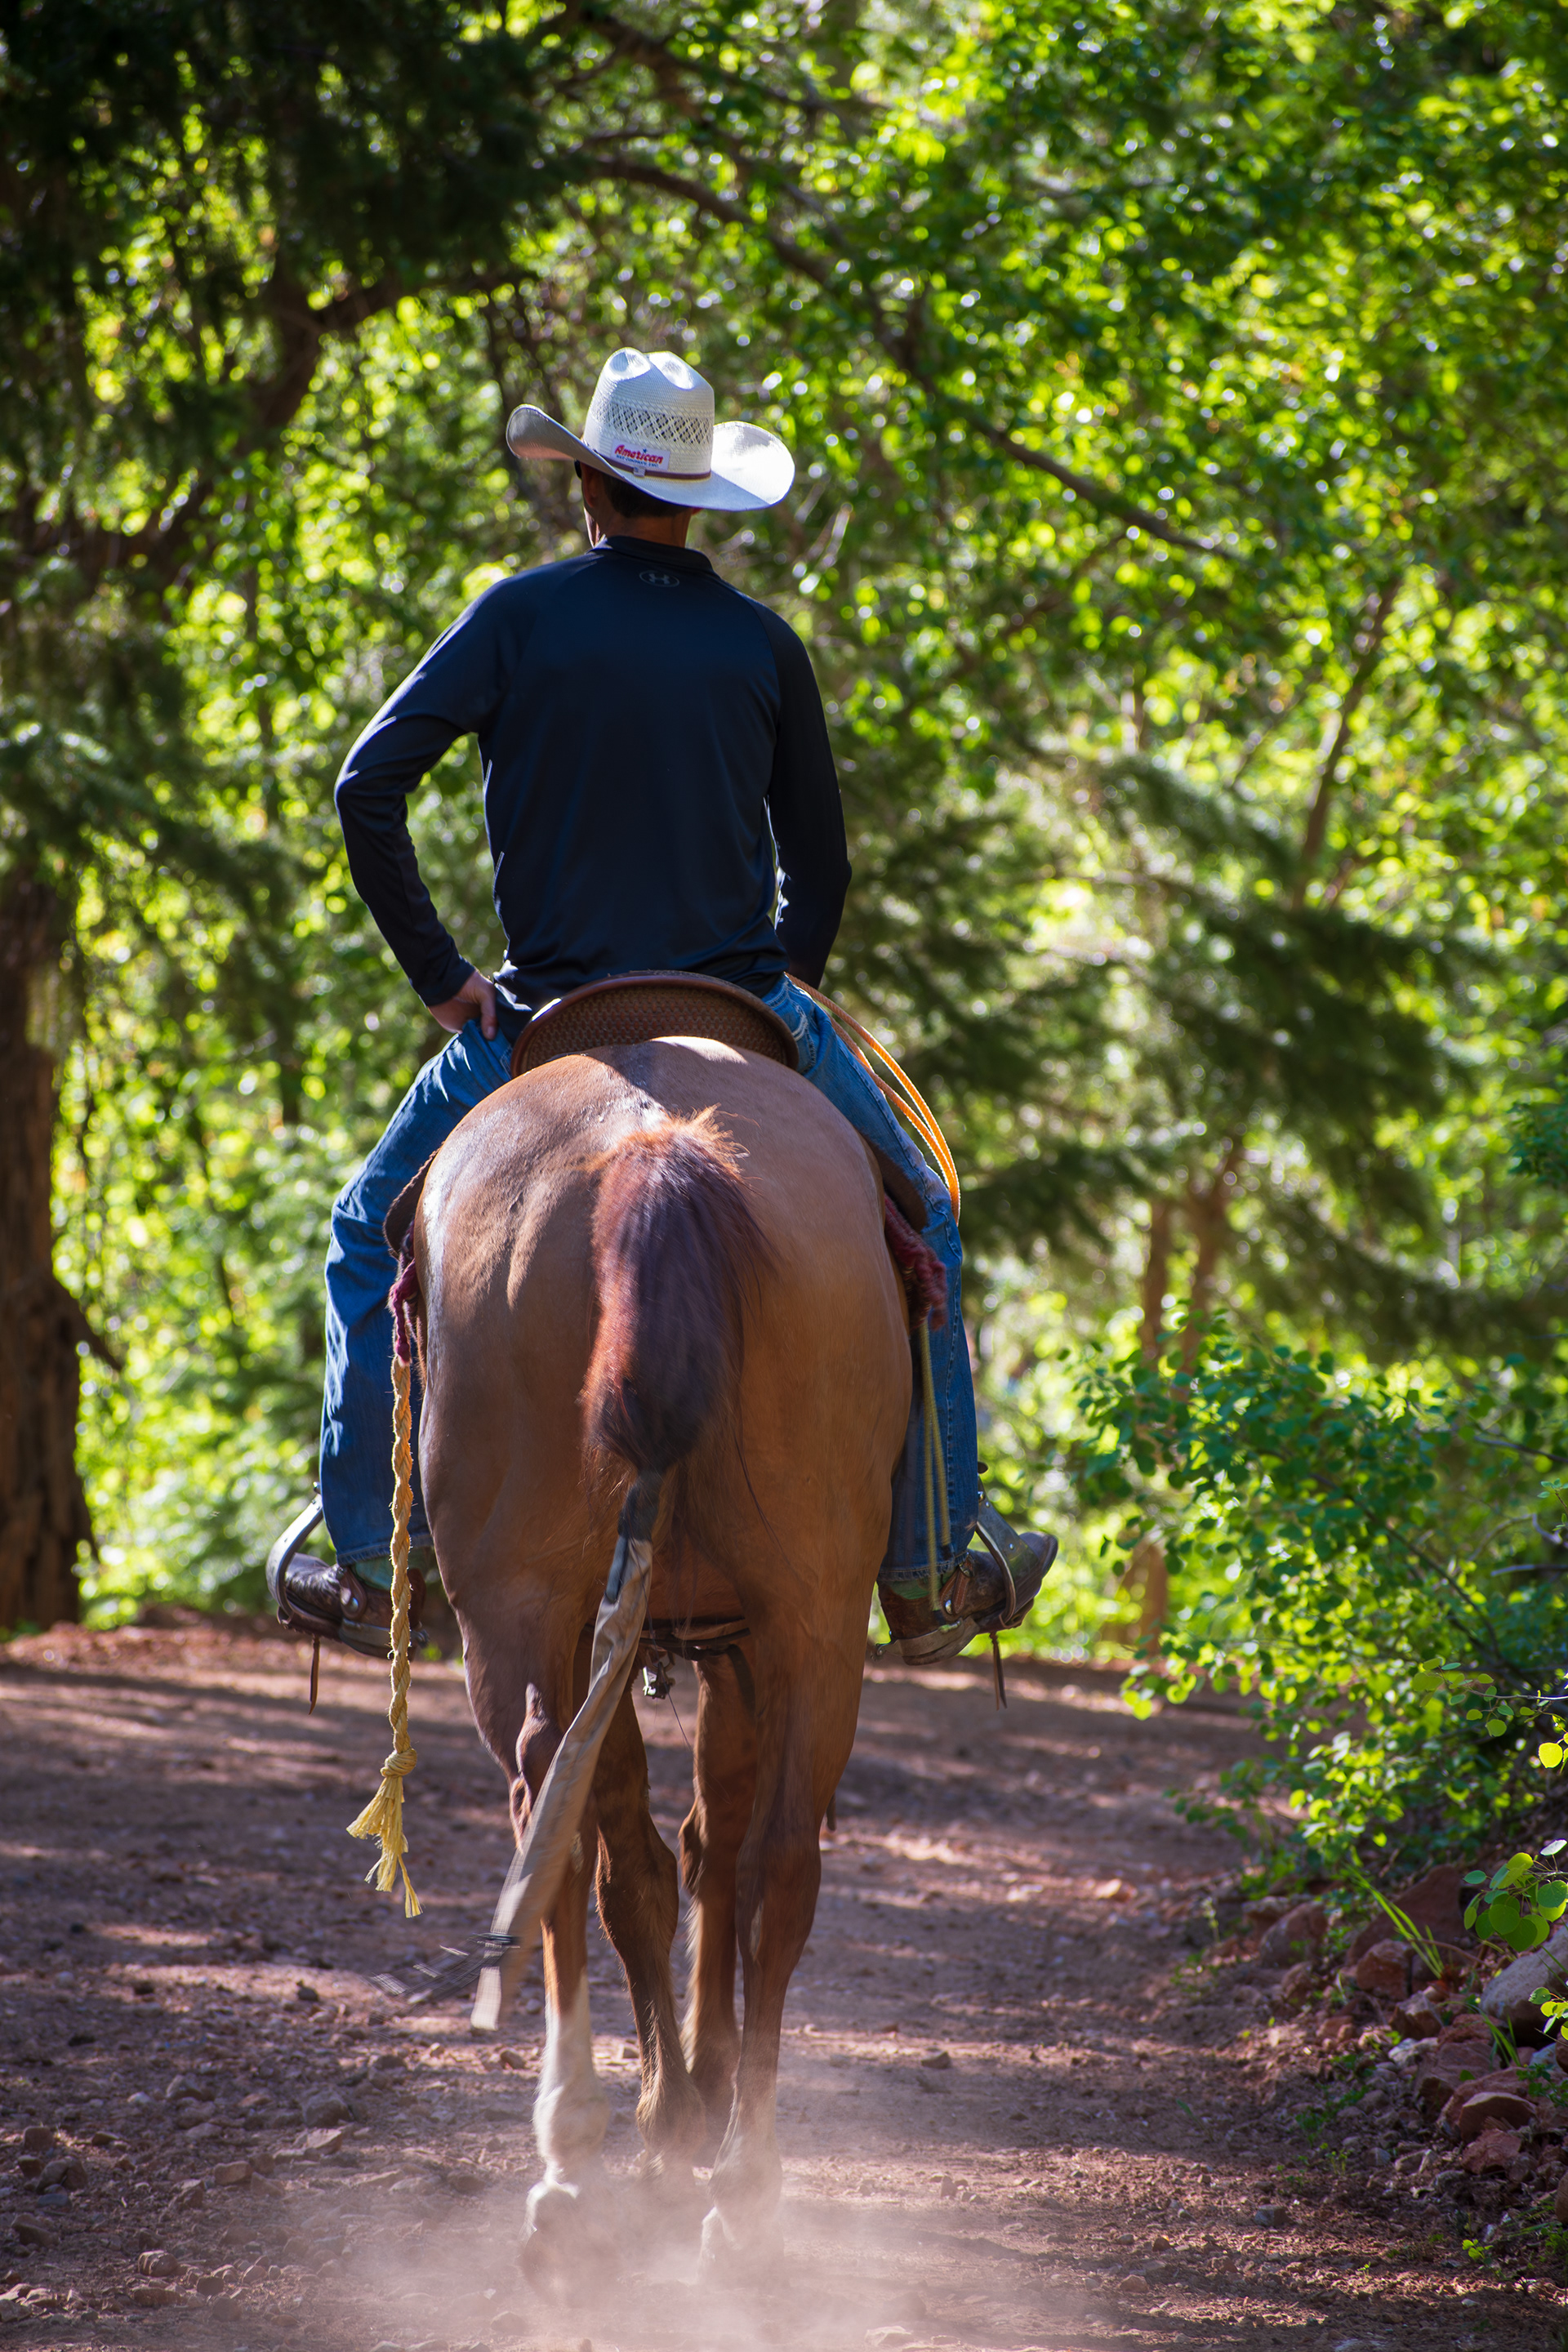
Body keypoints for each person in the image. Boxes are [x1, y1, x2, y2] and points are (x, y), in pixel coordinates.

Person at [265, 347, 1054, 1664]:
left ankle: (373, 1551)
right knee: (924, 1212)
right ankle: (929, 1563)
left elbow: (367, 786)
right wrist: (779, 994)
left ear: (588, 485)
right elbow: (825, 860)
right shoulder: (761, 644)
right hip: (739, 1000)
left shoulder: (515, 617)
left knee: (364, 1232)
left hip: (541, 1018)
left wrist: (448, 981)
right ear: (698, 500)